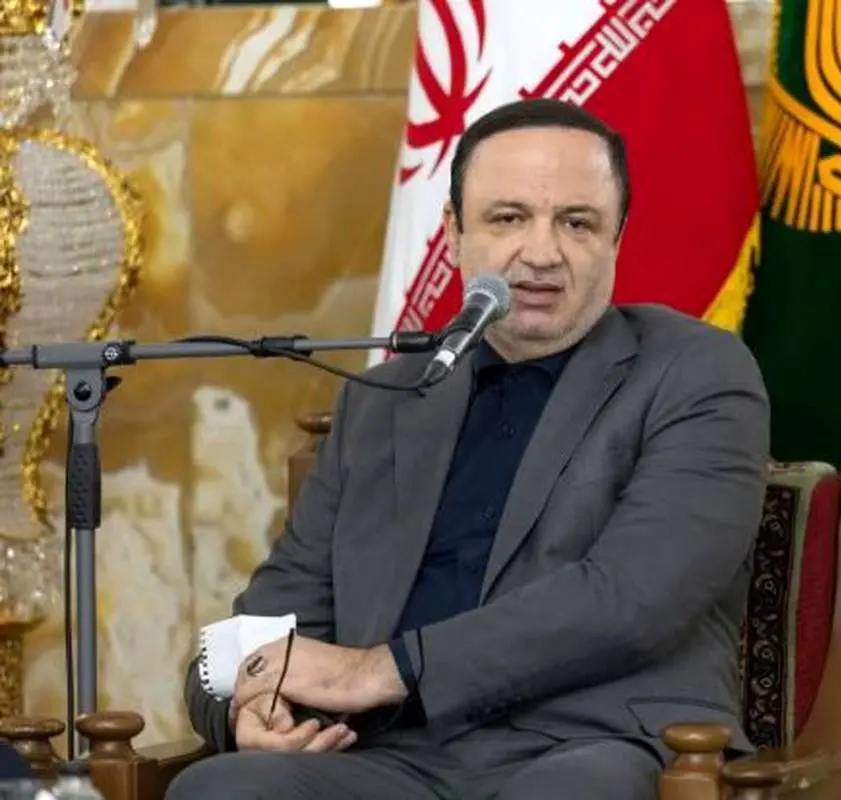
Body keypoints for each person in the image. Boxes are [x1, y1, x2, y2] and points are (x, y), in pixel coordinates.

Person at [167, 97, 770, 799]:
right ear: (454, 231)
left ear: (618, 237)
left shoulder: (696, 372)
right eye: (508, 218)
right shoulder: (384, 401)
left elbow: (632, 598)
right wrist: (244, 705)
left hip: (596, 745)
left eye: (577, 223)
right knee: (221, 788)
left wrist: (380, 671)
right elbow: (267, 621)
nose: (541, 253)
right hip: (390, 758)